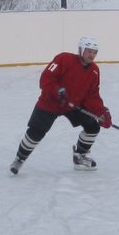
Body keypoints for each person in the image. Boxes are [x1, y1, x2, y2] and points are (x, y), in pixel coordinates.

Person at [9, 36, 112, 175]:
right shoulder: (63, 59)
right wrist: (58, 92)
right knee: (36, 132)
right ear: (81, 50)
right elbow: (46, 78)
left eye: (94, 52)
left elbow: (92, 95)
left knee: (92, 126)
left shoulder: (94, 70)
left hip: (73, 105)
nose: (91, 55)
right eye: (89, 51)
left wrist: (101, 111)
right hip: (50, 102)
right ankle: (19, 159)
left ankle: (80, 157)